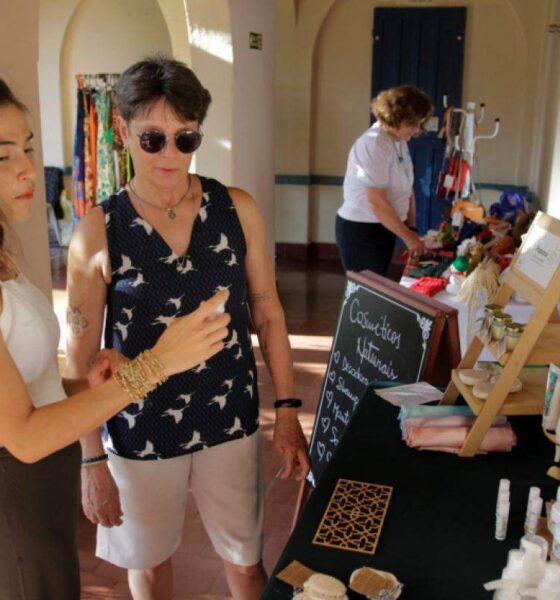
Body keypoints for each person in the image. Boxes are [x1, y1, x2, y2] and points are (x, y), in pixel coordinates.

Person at [66, 56, 309, 600]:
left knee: (246, 563)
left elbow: (267, 311)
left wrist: (288, 410)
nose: (170, 155)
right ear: (124, 132)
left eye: (186, 138)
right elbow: (80, 355)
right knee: (150, 567)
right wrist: (91, 458)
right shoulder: (99, 230)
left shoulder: (235, 208)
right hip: (139, 427)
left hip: (230, 417)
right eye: (153, 139)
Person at [0, 78, 230, 600]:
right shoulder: (105, 222)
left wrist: (85, 386)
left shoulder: (6, 254)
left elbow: (23, 388)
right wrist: (157, 364)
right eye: (3, 155)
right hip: (14, 490)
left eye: (30, 149)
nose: (27, 169)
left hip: (40, 487)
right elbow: (22, 433)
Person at [336, 84, 433, 276]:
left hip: (383, 227)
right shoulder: (373, 144)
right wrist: (410, 238)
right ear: (394, 119)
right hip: (362, 231)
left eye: (419, 124)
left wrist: (411, 228)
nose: (416, 130)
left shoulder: (399, 141)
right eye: (412, 124)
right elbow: (377, 202)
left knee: (378, 287)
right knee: (365, 293)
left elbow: (408, 187)